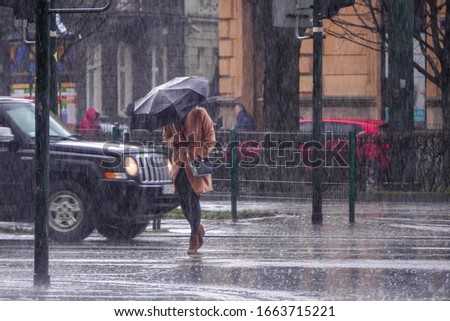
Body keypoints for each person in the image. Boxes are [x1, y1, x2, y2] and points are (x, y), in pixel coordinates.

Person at [162, 106, 216, 255]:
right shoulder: (170, 119)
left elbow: (211, 140)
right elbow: (165, 140)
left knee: (193, 201)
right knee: (184, 204)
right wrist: (176, 141)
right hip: (179, 166)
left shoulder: (200, 113)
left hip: (195, 167)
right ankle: (198, 227)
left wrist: (196, 150)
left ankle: (193, 238)